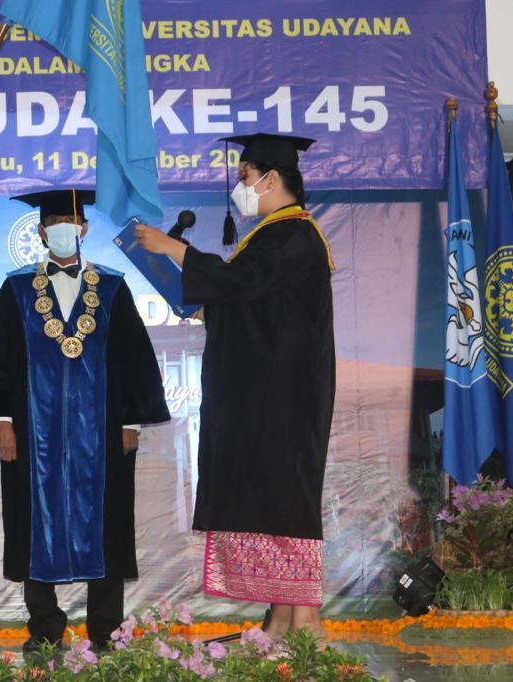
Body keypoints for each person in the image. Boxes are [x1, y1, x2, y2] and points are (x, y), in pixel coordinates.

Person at [134, 134, 336, 647]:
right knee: (273, 499)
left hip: (287, 399)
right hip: (272, 394)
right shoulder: (275, 234)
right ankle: (284, 620)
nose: (240, 187)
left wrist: (174, 249)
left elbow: (240, 283)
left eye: (245, 176)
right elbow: (253, 302)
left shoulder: (292, 233)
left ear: (272, 178)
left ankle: (307, 622)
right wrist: (214, 310)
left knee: (289, 500)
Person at [0, 189, 169, 653]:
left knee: (108, 521)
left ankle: (106, 627)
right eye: (53, 222)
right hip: (31, 430)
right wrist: (2, 420)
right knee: (31, 519)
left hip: (103, 430)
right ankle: (45, 625)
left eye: (70, 221)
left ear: (83, 229)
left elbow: (134, 358)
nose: (62, 228)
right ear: (42, 233)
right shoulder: (16, 290)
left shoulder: (113, 288)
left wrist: (132, 423)